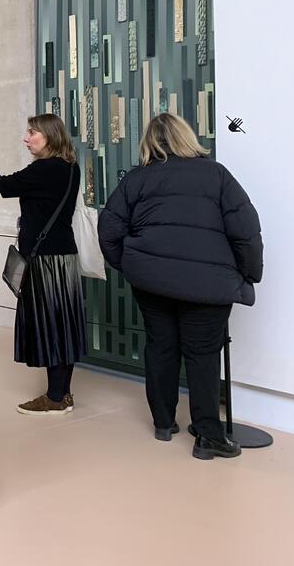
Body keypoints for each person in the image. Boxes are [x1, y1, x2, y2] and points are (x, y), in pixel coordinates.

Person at [98, 113, 263, 459]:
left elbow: (108, 229)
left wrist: (131, 266)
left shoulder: (137, 179)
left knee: (160, 346)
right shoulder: (216, 175)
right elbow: (246, 231)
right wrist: (249, 274)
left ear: (149, 142)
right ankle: (208, 437)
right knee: (203, 355)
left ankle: (163, 423)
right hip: (208, 285)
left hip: (152, 282)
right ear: (187, 137)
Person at [0, 114, 85, 414]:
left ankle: (54, 397)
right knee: (64, 325)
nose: (26, 138)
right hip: (65, 256)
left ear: (50, 136)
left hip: (44, 260)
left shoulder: (44, 169)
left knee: (50, 326)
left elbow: (2, 185)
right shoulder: (70, 167)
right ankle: (63, 394)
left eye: (33, 133)